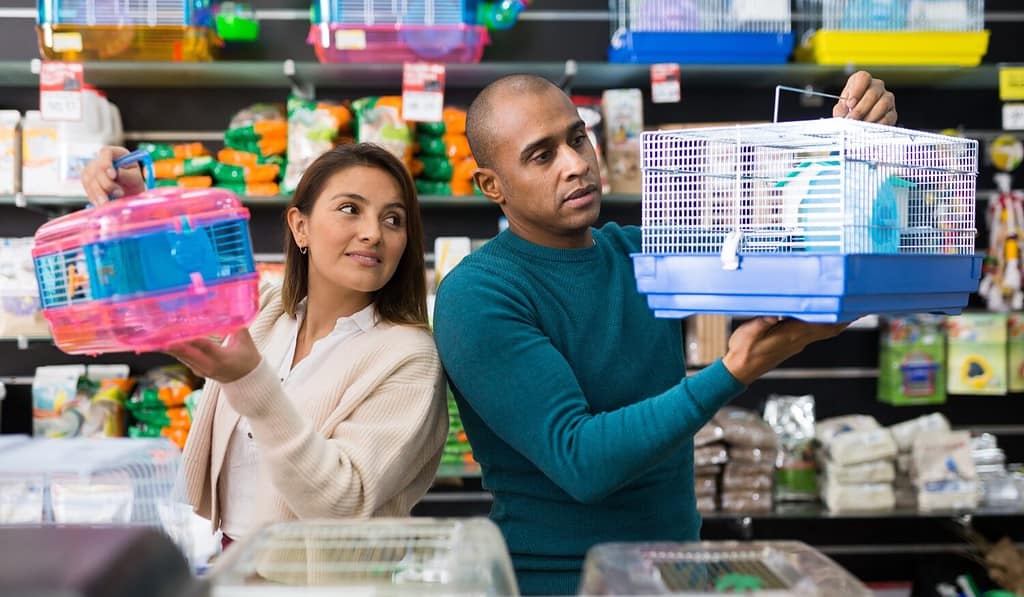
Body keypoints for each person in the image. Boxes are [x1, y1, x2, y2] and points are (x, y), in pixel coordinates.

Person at [431, 71, 897, 595]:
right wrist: (733, 371)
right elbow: (580, 459)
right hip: (560, 582)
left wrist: (852, 152)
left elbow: (791, 242)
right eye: (542, 155)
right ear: (492, 185)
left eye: (577, 137)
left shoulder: (644, 252)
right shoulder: (476, 295)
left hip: (675, 572)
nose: (577, 164)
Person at [81, 143, 448, 546]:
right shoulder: (265, 314)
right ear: (300, 226)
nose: (373, 233)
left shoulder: (408, 357)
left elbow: (343, 503)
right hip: (233, 568)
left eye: (393, 219)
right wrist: (134, 204)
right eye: (350, 209)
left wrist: (251, 382)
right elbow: (166, 298)